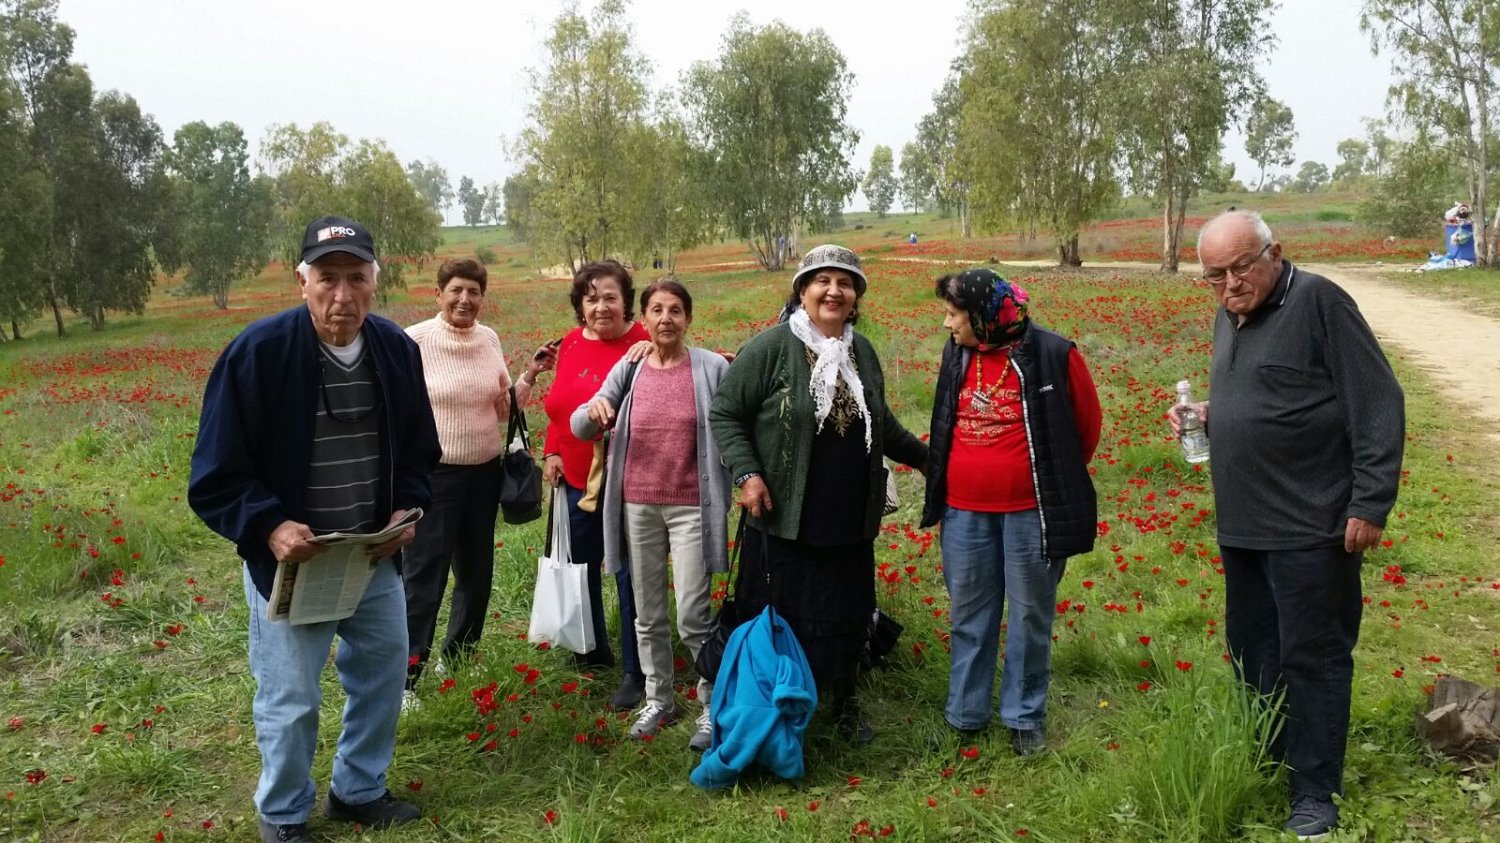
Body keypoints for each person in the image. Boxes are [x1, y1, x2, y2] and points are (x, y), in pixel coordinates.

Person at [188, 216, 441, 843]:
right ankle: (283, 815)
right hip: (291, 563)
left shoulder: (395, 350)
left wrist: (405, 513)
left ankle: (357, 790)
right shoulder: (259, 353)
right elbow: (216, 475)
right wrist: (269, 525)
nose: (342, 295)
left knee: (383, 678)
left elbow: (417, 454)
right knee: (292, 699)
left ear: (376, 283)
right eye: (327, 278)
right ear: (301, 281)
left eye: (357, 278)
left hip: (370, 556)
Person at [1170, 210, 1404, 840]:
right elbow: (1270, 393)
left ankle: (1315, 792)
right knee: (1253, 652)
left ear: (1276, 252)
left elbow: (1378, 401)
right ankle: (1272, 756)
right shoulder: (1229, 312)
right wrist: (1210, 413)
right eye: (1214, 275)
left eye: (1240, 266)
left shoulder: (1321, 302)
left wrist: (1370, 501)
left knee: (1315, 658)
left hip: (1312, 524)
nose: (1228, 284)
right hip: (1243, 525)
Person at [710, 244, 929, 745]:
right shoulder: (770, 348)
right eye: (823, 281)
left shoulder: (863, 351)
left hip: (849, 512)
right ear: (802, 292)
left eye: (845, 283)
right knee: (783, 610)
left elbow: (883, 423)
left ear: (856, 298)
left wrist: (925, 458)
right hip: (786, 513)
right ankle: (777, 703)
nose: (834, 291)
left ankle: (845, 700)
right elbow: (726, 413)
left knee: (847, 609)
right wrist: (748, 474)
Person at [919, 269, 1101, 756]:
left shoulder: (1054, 353)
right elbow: (944, 416)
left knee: (1029, 616)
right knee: (969, 616)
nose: (946, 324)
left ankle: (1024, 719)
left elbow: (1085, 431)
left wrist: (1040, 479)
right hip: (964, 513)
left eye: (953, 315)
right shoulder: (957, 352)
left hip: (1030, 513)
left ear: (981, 314)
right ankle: (966, 714)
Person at [570, 280, 730, 751]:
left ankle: (710, 702)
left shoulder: (710, 367)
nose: (666, 319)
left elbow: (733, 421)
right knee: (647, 614)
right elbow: (581, 424)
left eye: (676, 311)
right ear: (645, 318)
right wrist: (595, 410)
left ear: (688, 319)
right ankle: (659, 699)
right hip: (637, 505)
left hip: (689, 508)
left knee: (693, 617)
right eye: (657, 310)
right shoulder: (631, 366)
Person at [402, 258, 545, 702]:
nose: (465, 299)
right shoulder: (415, 340)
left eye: (474, 292)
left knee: (476, 572)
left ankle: (459, 656)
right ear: (439, 293)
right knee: (425, 574)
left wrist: (530, 376)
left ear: (483, 297)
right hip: (435, 477)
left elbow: (503, 406)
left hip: (484, 473)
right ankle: (407, 675)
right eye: (456, 290)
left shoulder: (489, 338)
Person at [539, 260, 650, 710]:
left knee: (628, 574)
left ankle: (636, 668)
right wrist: (552, 452)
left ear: (625, 302)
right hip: (573, 480)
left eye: (610, 297)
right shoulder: (568, 343)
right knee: (580, 569)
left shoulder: (641, 342)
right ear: (579, 305)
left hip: (627, 479)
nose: (601, 306)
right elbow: (559, 406)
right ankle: (590, 648)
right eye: (591, 298)